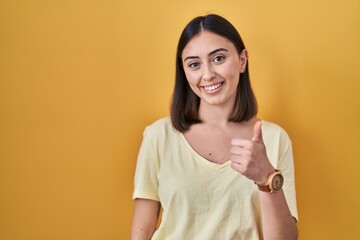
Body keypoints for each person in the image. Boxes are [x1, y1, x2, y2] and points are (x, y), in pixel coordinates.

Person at [131, 14, 298, 240]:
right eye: (194, 64)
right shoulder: (158, 136)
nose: (208, 74)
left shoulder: (275, 138)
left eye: (218, 58)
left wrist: (266, 176)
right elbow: (141, 231)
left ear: (242, 60)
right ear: (184, 71)